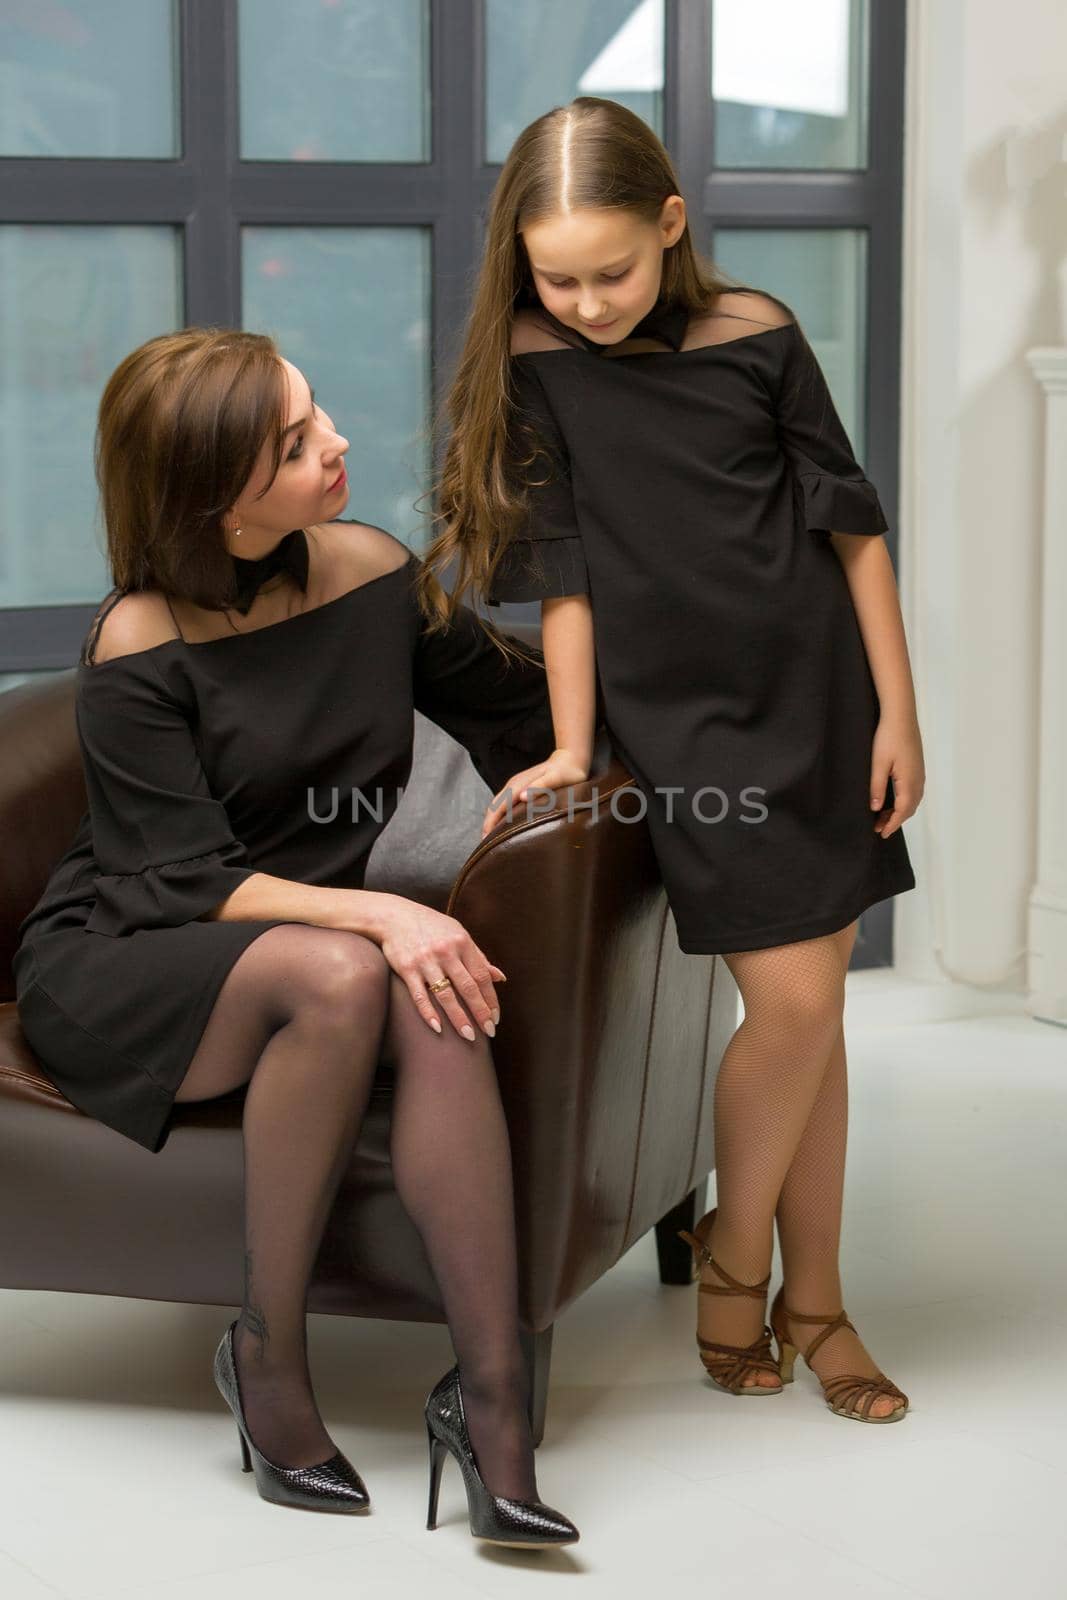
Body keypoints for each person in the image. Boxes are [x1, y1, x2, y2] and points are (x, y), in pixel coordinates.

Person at [11, 327, 579, 1543]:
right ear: (217, 498)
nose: (337, 444)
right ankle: (267, 1364)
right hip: (130, 952)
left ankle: (491, 1409)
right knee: (355, 964)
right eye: (294, 442)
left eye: (316, 411)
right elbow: (173, 875)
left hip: (306, 948)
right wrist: (379, 906)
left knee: (425, 985)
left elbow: (519, 709)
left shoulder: (370, 568)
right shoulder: (140, 636)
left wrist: (681, 735)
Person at [418, 97, 925, 1424]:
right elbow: (566, 577)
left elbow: (849, 525)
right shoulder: (534, 362)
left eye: (612, 271)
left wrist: (895, 707)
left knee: (813, 1018)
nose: (584, 301)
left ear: (670, 226)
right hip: (682, 723)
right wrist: (576, 745)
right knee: (800, 1009)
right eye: (555, 276)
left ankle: (810, 1300)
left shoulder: (754, 333)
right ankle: (732, 1268)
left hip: (814, 696)